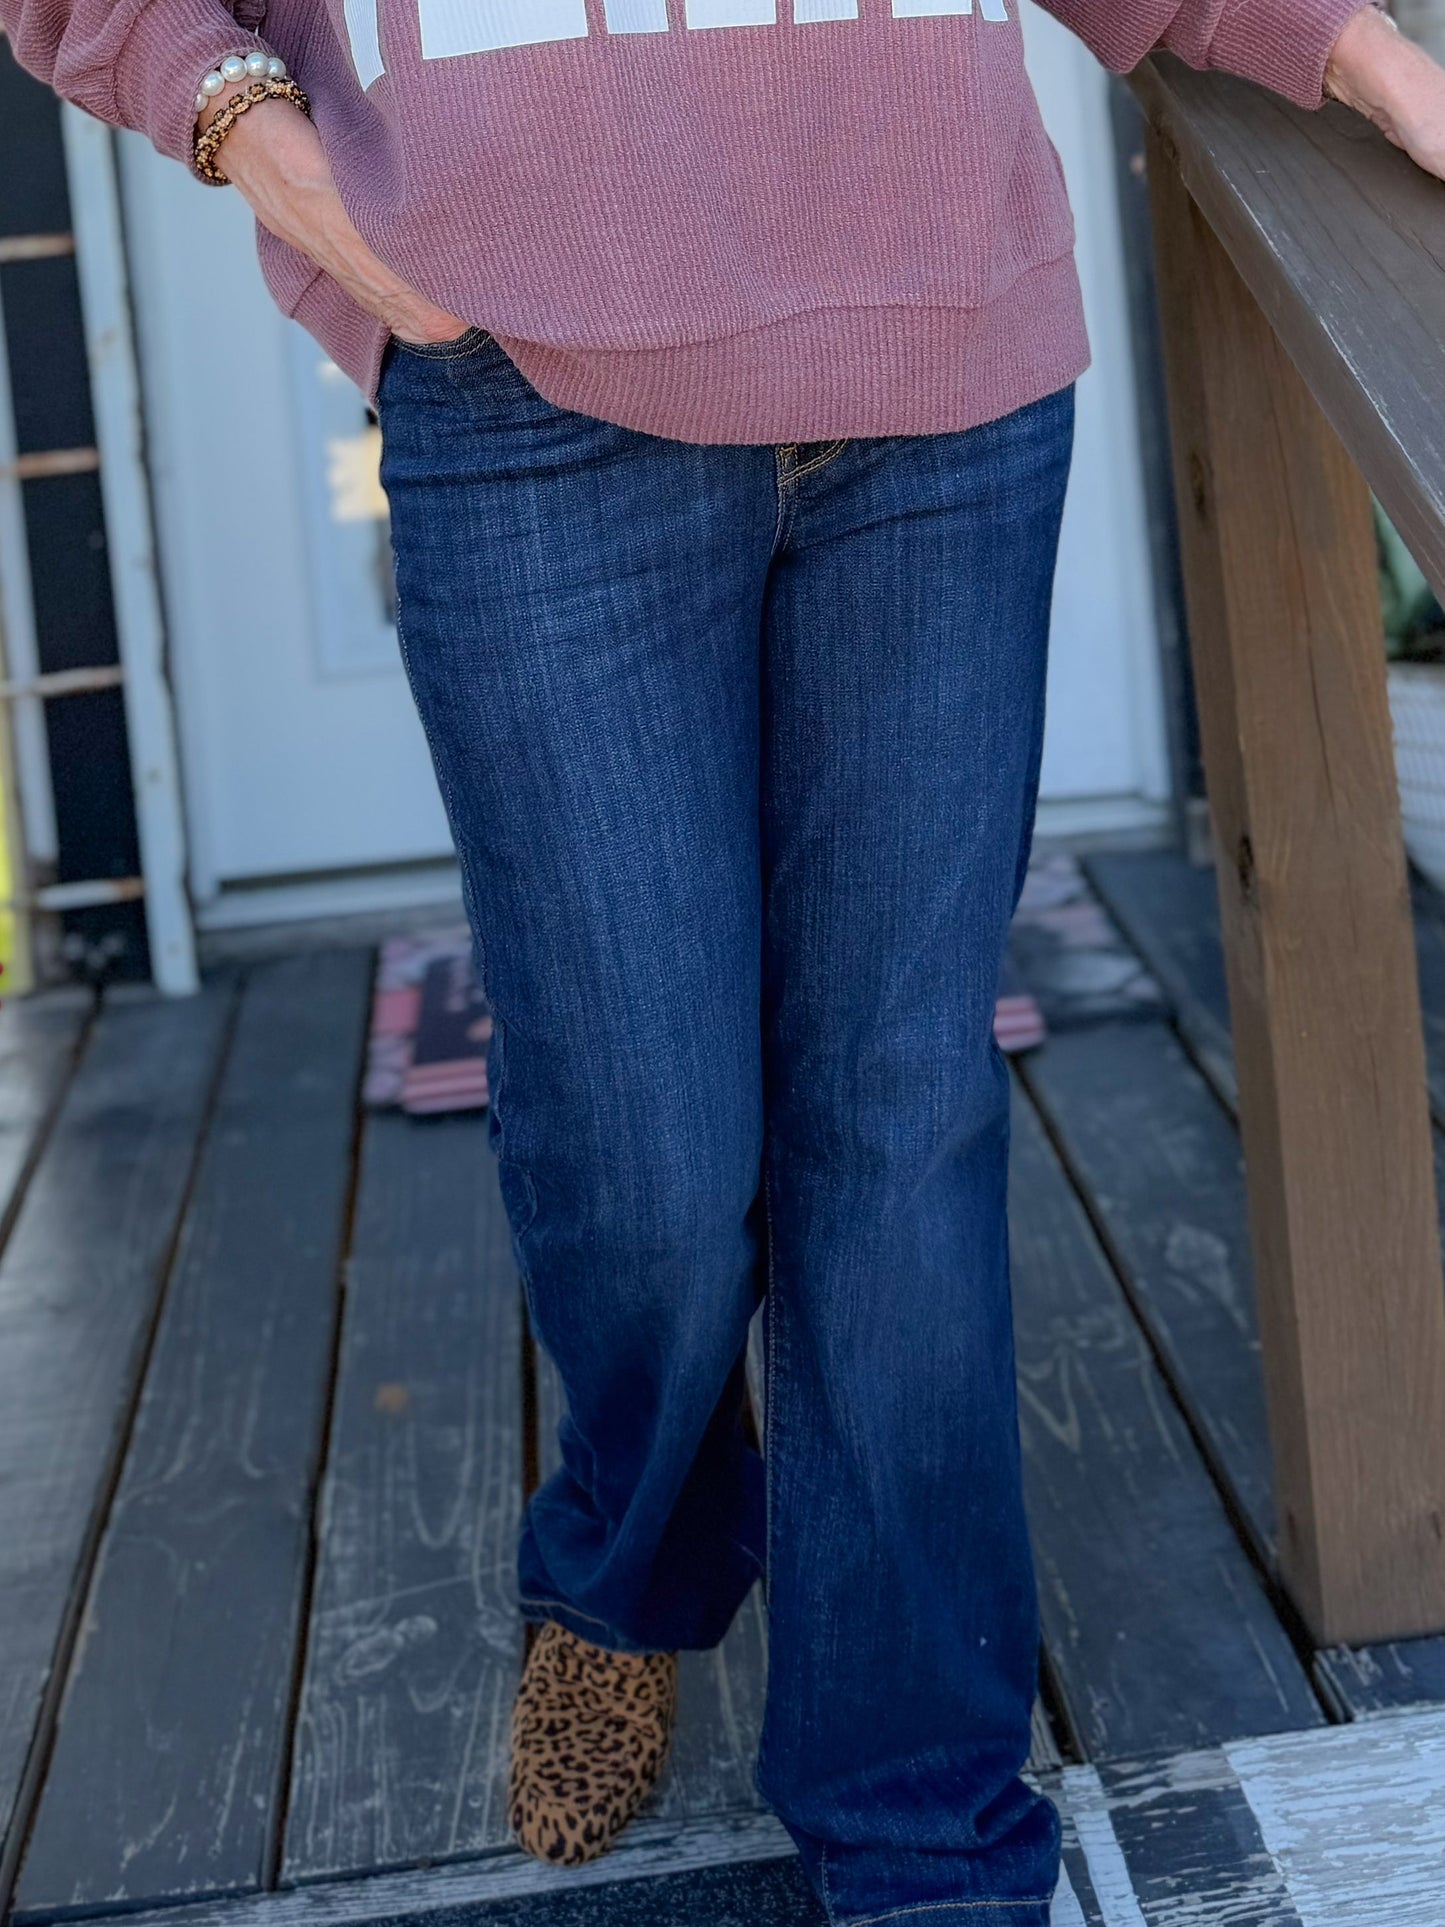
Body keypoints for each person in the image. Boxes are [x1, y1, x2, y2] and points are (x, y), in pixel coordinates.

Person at [5, 0, 1443, 1917]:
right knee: (646, 1151)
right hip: (526, 384)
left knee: (897, 1110)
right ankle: (635, 1552)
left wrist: (1366, 56)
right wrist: (249, 124)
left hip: (946, 367)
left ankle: (923, 1821)